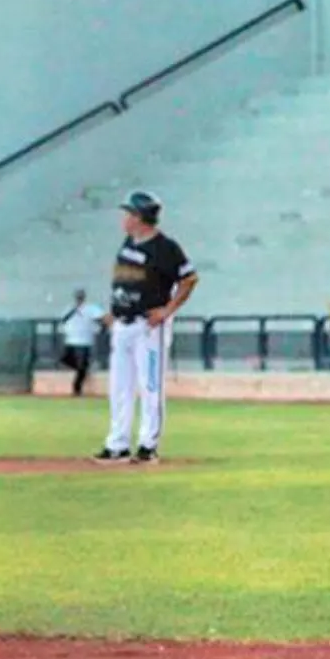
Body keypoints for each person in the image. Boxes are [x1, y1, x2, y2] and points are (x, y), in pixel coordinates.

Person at [93, 192, 198, 465]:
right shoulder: (129, 242)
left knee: (150, 385)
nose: (124, 218)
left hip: (149, 325)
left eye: (128, 213)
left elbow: (189, 278)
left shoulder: (165, 248)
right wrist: (115, 310)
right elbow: (126, 281)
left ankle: (148, 444)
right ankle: (117, 443)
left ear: (140, 218)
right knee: (120, 386)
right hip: (124, 324)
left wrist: (168, 309)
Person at [58, 288, 104, 397]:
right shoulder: (70, 309)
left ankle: (76, 389)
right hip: (71, 340)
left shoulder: (91, 309)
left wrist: (99, 329)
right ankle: (84, 370)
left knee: (81, 367)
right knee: (65, 360)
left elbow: (100, 319)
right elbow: (63, 319)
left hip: (85, 341)